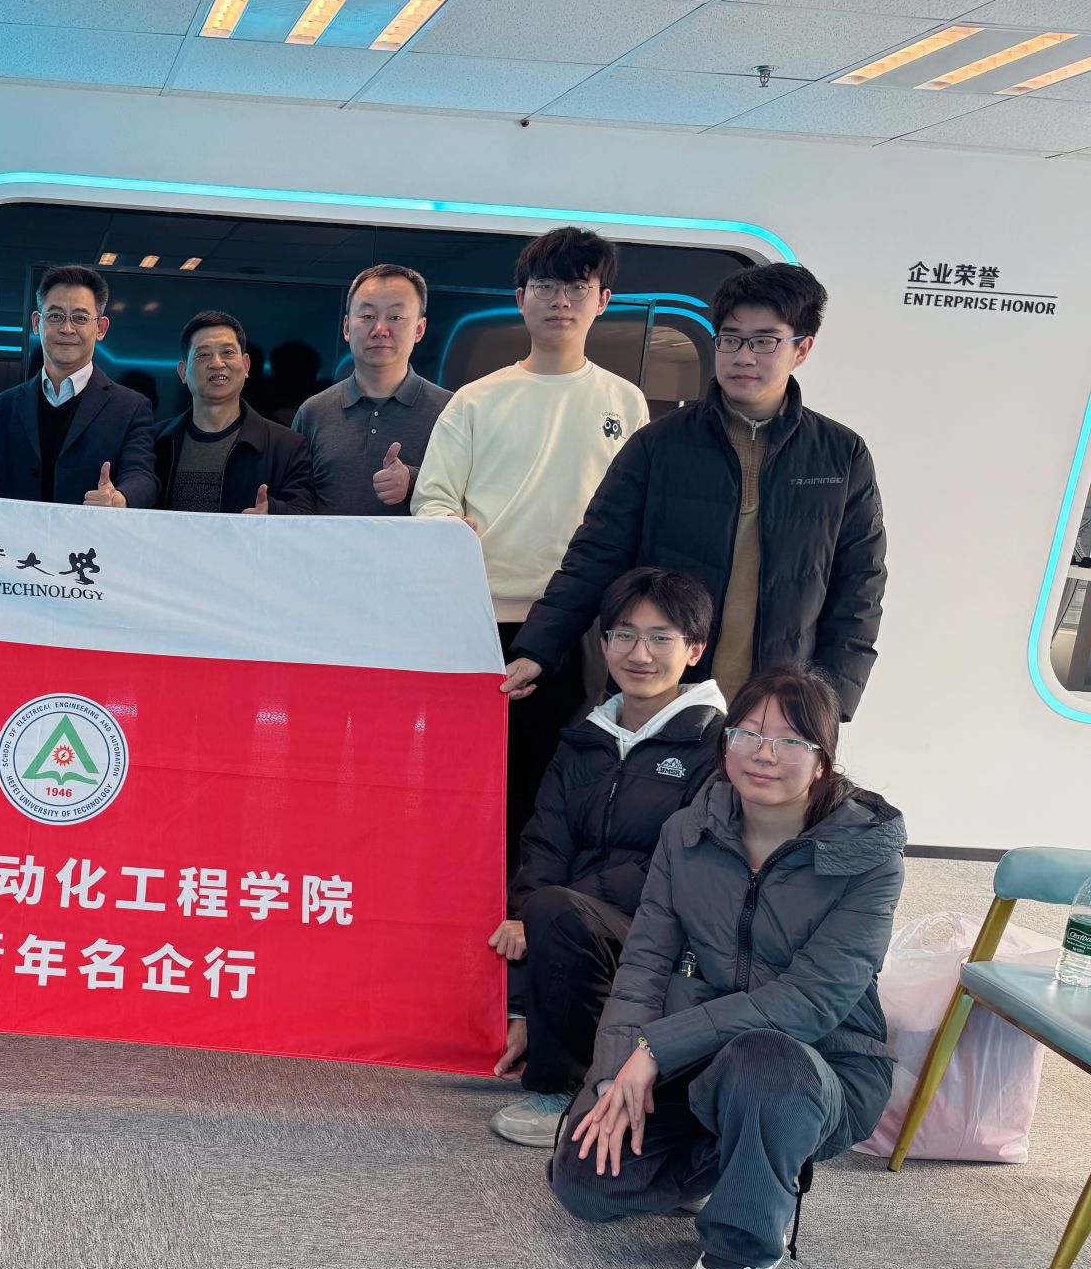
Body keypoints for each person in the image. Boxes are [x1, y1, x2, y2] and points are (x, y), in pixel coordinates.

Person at [551, 664, 903, 1269]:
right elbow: (644, 964)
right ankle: (736, 1158)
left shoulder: (866, 856)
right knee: (586, 1181)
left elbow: (812, 1001)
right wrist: (614, 1075)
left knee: (764, 1061)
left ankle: (745, 1240)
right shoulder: (687, 833)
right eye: (748, 733)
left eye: (790, 740)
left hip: (819, 1064)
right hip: (700, 1056)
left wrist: (657, 1048)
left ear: (822, 760)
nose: (764, 754)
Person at [505, 263, 887, 720]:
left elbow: (859, 588)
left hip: (777, 709)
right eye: (730, 339)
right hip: (661, 696)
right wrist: (538, 649)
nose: (743, 356)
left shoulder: (841, 454)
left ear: (802, 349)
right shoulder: (658, 444)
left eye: (764, 342)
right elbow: (595, 555)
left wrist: (831, 701)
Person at [411, 227, 649, 867]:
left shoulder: (624, 402)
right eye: (545, 286)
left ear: (603, 300)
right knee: (476, 774)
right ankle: (464, 887)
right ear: (521, 298)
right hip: (485, 620)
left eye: (577, 287)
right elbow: (431, 499)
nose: (560, 301)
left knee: (565, 778)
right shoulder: (477, 400)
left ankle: (536, 897)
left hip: (582, 622)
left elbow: (635, 515)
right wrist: (446, 524)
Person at [488, 568, 726, 1147]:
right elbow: (545, 844)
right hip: (570, 922)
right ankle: (523, 1024)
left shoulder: (716, 747)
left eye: (661, 638)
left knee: (557, 914)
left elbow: (680, 865)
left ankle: (565, 1091)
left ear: (694, 650)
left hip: (664, 932)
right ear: (604, 644)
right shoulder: (584, 740)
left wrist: (554, 910)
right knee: (523, 910)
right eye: (624, 635)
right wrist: (526, 920)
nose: (639, 654)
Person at [0, 265, 156, 508]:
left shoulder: (131, 408)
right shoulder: (0, 409)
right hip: (12, 532)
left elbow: (143, 476)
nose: (67, 329)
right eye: (55, 316)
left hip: (91, 532)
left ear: (100, 328)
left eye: (80, 318)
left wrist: (120, 498)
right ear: (36, 323)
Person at [291, 264, 452, 516]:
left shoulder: (451, 411)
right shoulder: (313, 412)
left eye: (395, 317)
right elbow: (294, 499)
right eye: (367, 316)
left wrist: (412, 482)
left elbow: (470, 494)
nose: (379, 330)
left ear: (419, 329)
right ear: (347, 327)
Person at [149, 311, 314, 514]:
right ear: (183, 372)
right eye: (203, 355)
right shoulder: (154, 442)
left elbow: (306, 516)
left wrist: (271, 514)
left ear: (246, 365)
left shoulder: (288, 447)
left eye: (227, 352)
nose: (217, 363)